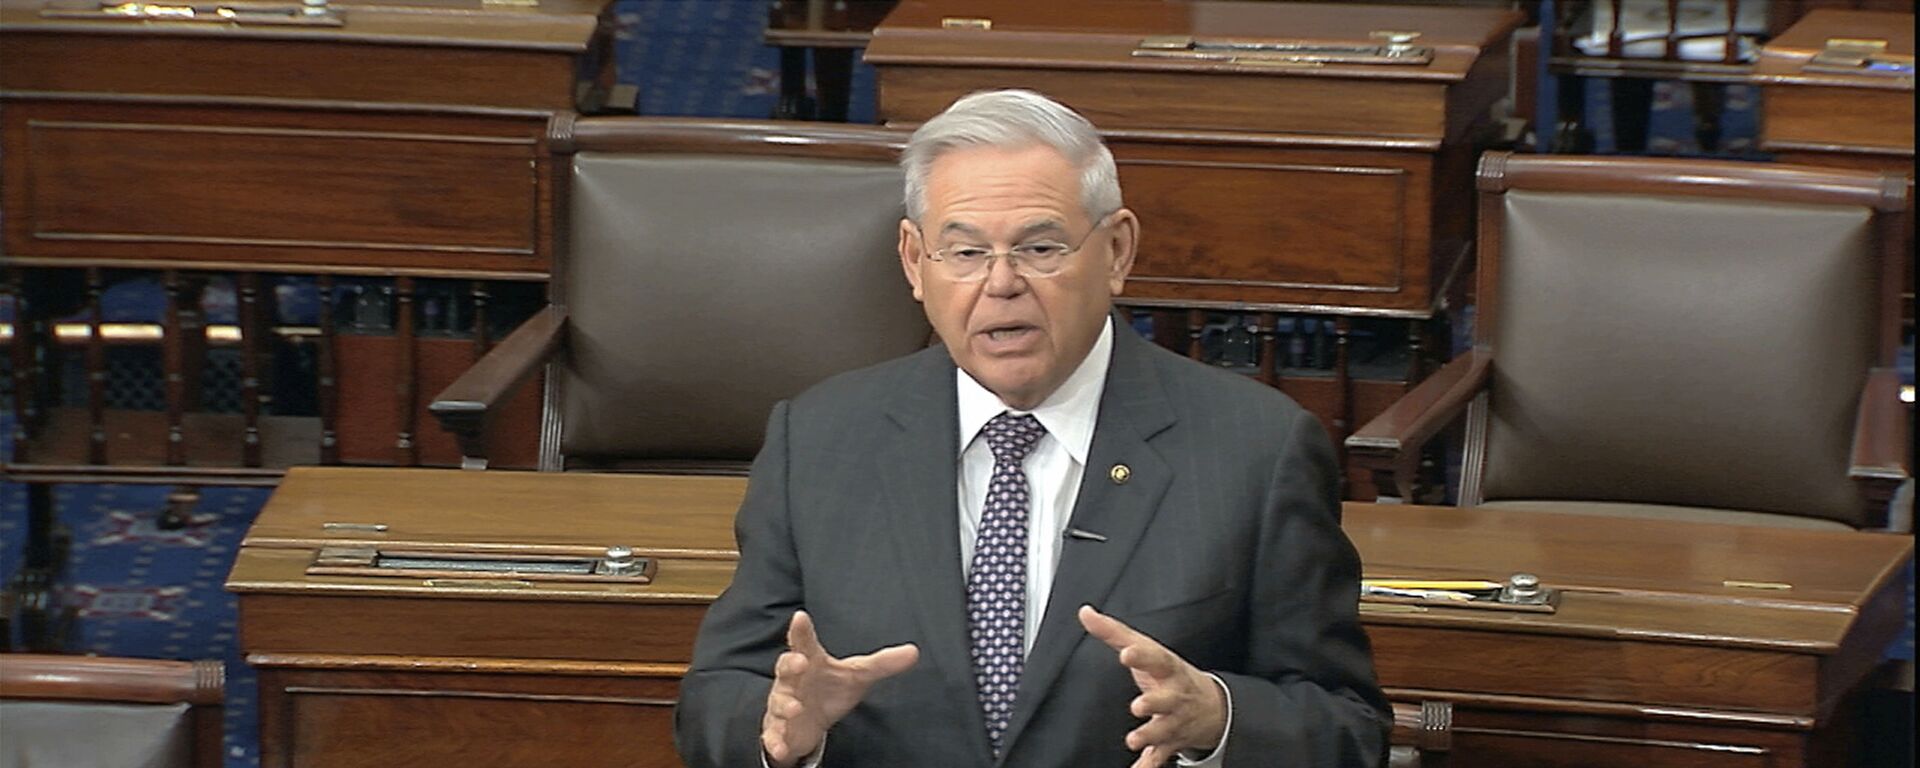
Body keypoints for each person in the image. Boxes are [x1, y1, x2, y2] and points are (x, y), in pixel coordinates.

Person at [675, 89, 1389, 768]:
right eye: (964, 252)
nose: (1002, 282)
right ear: (913, 262)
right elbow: (717, 694)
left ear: (1115, 251)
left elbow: (1346, 727)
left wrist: (1219, 719)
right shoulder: (821, 439)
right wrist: (779, 735)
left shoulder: (1256, 451)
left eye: (1041, 248)